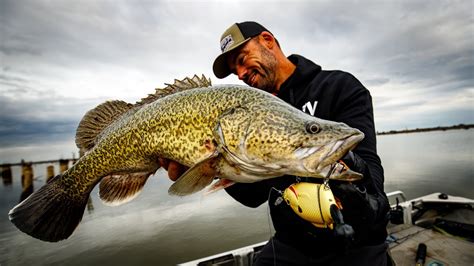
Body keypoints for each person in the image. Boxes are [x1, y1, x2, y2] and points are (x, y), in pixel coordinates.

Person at [161, 21, 391, 265]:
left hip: (356, 244)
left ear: (267, 41)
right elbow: (252, 197)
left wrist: (356, 184)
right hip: (292, 244)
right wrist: (213, 167)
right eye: (234, 71)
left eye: (241, 59)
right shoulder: (250, 110)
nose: (240, 74)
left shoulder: (340, 86)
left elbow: (371, 172)